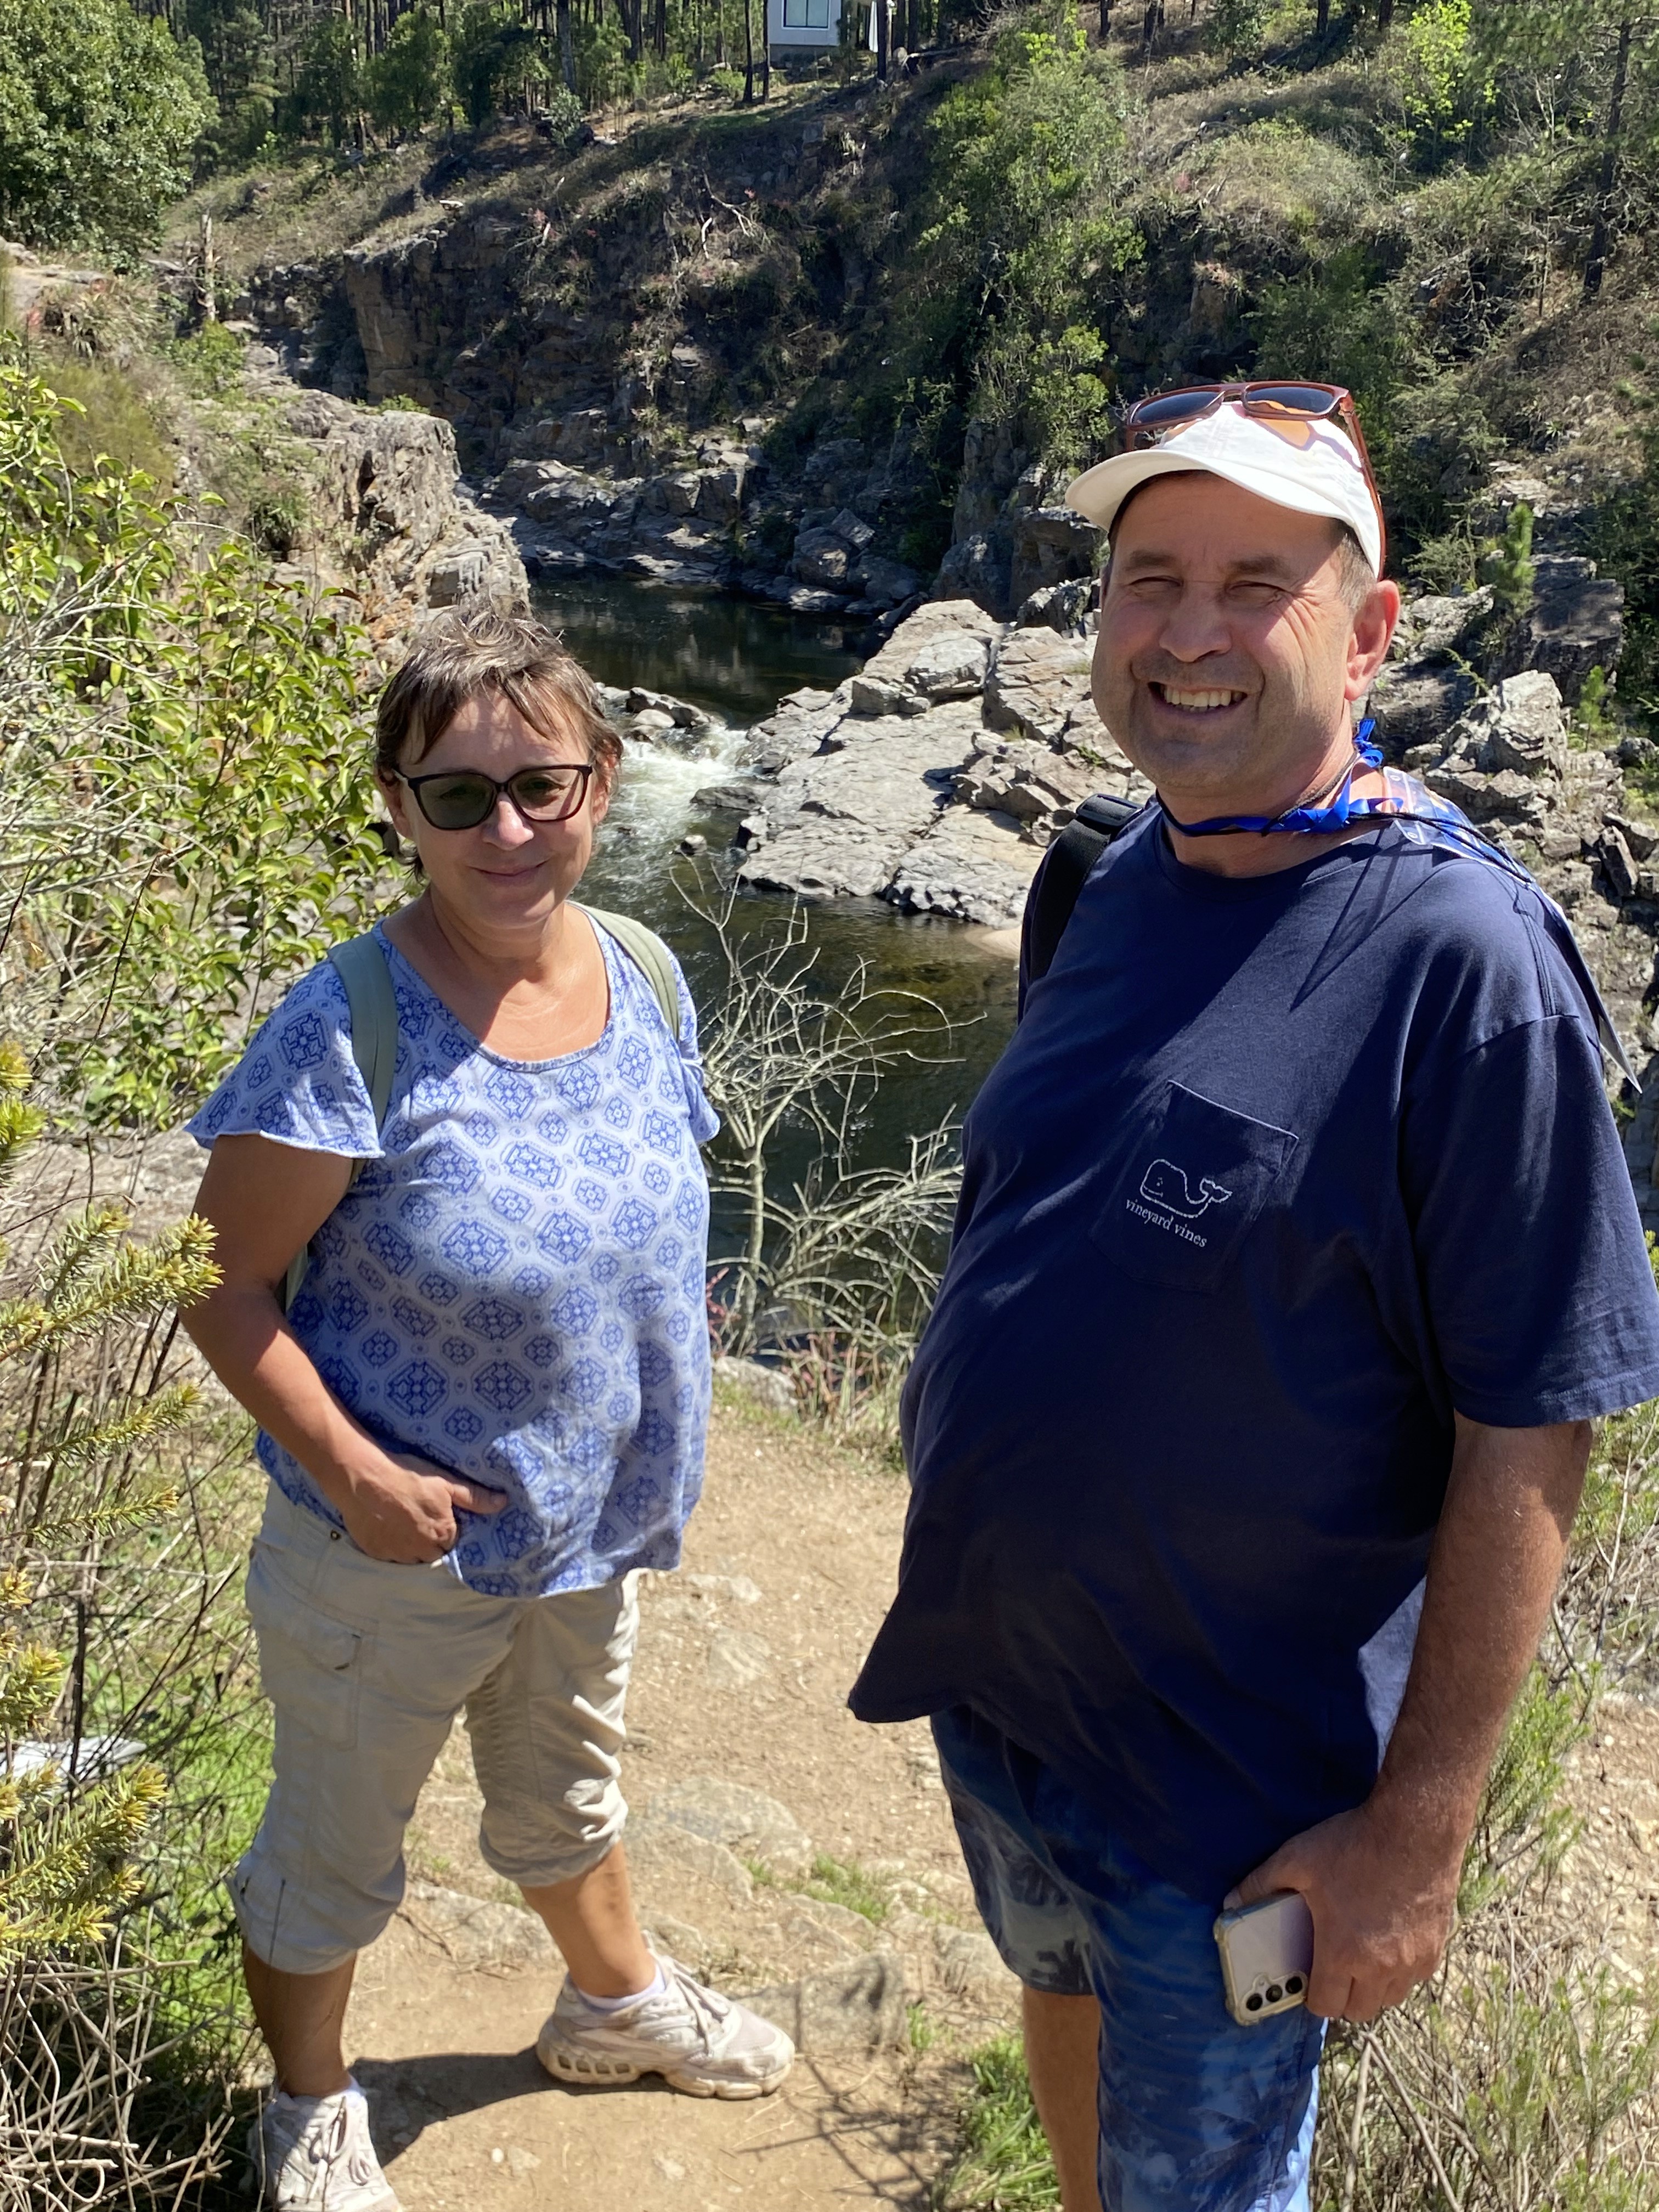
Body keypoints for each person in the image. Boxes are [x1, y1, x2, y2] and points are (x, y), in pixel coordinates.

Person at [849, 383, 1659, 2210]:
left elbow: (1536, 1423)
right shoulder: (1117, 868)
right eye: (1150, 580)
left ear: (1368, 631)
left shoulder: (1470, 965)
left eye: (1253, 583)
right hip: (1011, 1700)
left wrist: (1418, 1840)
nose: (1189, 634)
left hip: (1233, 1804)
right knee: (1054, 2002)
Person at [183, 610, 793, 2212]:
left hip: (587, 1528)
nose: (506, 830)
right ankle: (310, 2110)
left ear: (602, 783)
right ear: (397, 806)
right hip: (391, 1554)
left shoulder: (645, 969)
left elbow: (643, 1199)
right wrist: (354, 1472)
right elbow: (213, 1281)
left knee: (569, 1789)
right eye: (457, 797)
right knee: (334, 1852)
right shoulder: (352, 1030)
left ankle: (611, 2006)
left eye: (542, 784)